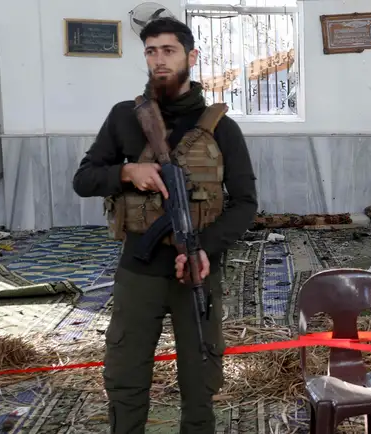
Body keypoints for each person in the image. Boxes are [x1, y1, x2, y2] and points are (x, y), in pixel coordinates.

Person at [72, 17, 258, 433]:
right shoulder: (124, 117)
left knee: (201, 378)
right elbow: (84, 179)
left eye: (169, 51)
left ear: (191, 57)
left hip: (196, 271)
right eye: (151, 51)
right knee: (125, 376)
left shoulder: (222, 128)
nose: (159, 60)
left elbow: (245, 203)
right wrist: (127, 172)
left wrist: (204, 248)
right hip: (138, 270)